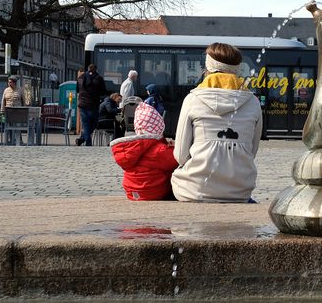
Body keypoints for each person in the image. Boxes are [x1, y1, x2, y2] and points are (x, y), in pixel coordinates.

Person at [171, 42, 262, 202]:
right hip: (239, 191)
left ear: (208, 68)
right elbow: (252, 151)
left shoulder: (193, 99)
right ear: (237, 69)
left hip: (194, 190)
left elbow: (180, 155)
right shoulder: (253, 102)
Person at [111, 102, 178, 200]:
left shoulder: (132, 148)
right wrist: (173, 147)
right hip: (153, 191)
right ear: (159, 128)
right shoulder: (160, 150)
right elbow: (176, 159)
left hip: (131, 191)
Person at [76, 64, 106, 146]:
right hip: (93, 105)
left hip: (82, 104)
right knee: (94, 123)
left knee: (86, 124)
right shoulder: (98, 79)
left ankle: (83, 139)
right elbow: (103, 91)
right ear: (95, 69)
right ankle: (88, 142)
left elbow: (77, 90)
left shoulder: (80, 78)